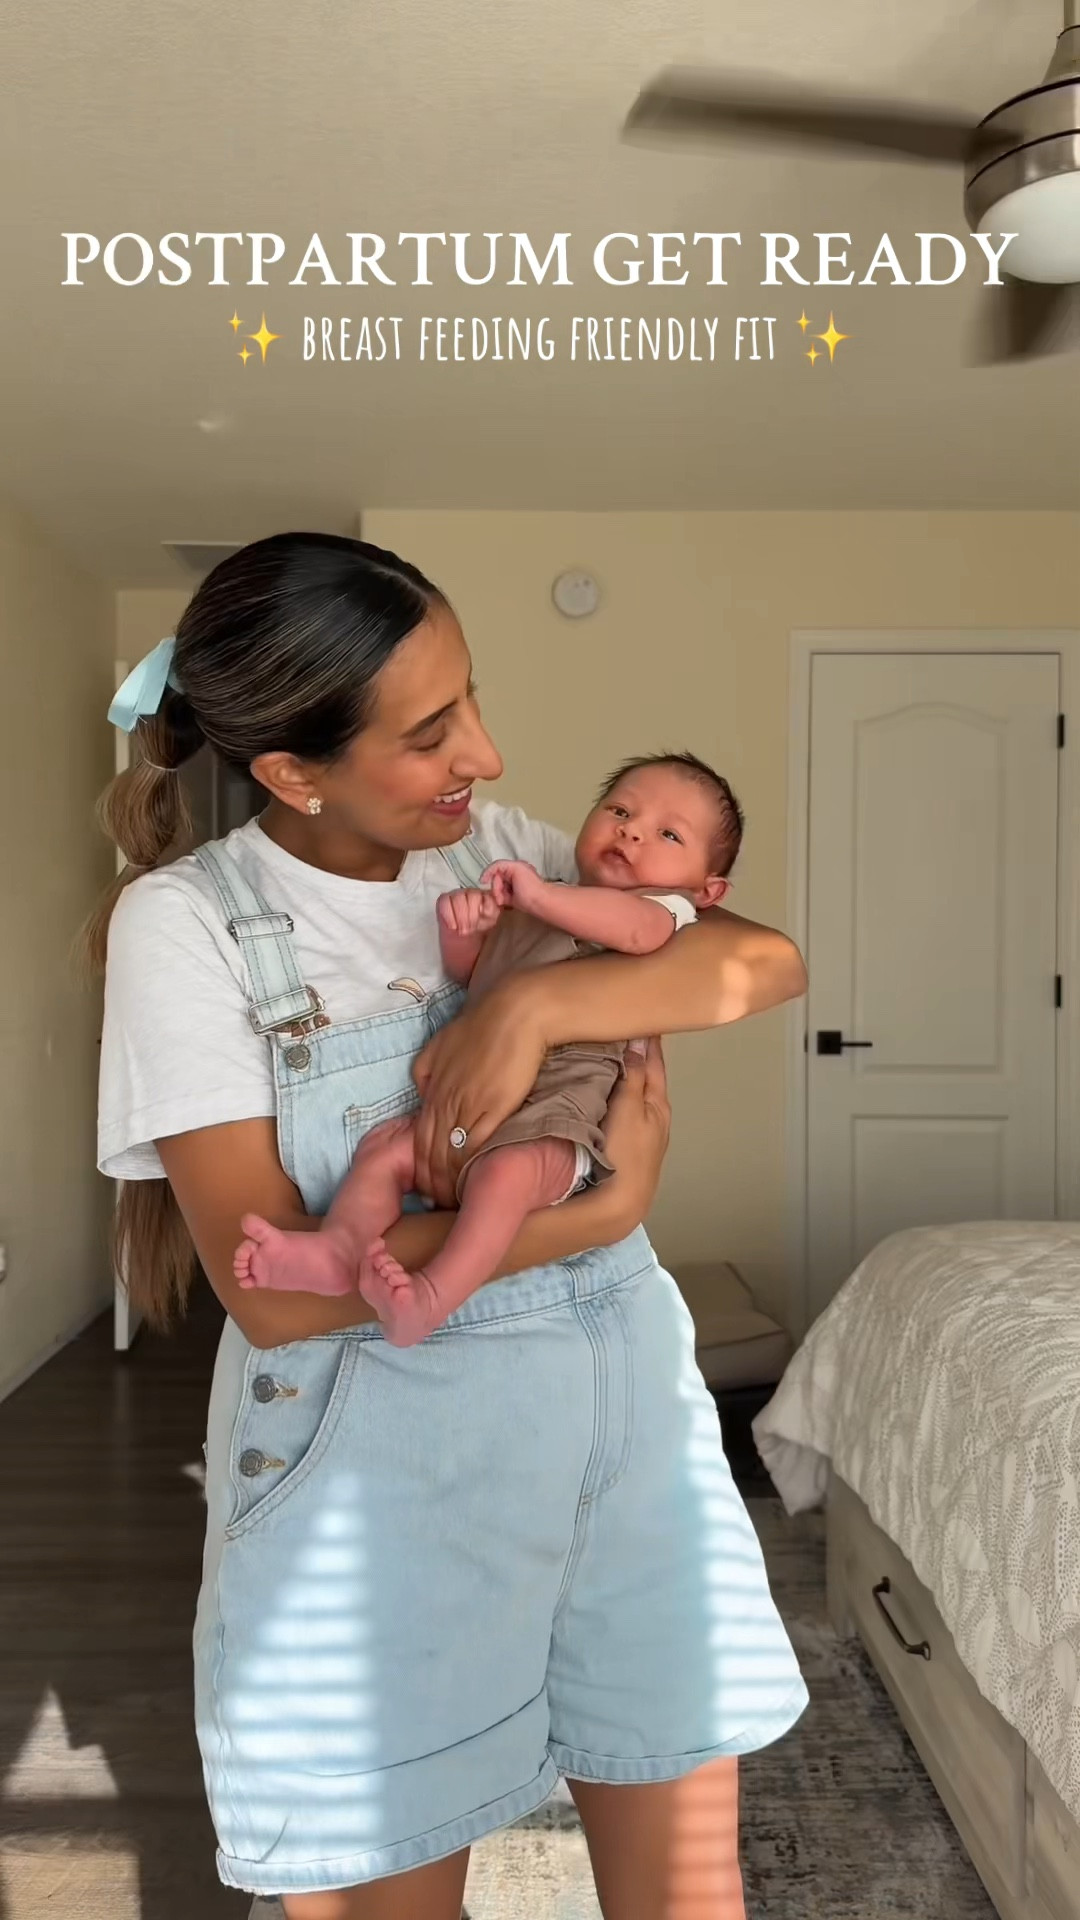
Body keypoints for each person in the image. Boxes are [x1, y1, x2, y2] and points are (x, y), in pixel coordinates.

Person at [90, 532, 809, 1920]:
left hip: (622, 1438)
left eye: (469, 696)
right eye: (430, 734)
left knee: (691, 1895)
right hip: (383, 1485)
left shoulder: (494, 848)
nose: (485, 752)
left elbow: (760, 962)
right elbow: (274, 1292)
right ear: (294, 773)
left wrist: (536, 1004)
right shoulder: (187, 925)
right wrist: (604, 1215)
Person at [234, 752, 744, 1347]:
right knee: (383, 1153)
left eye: (668, 834)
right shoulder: (547, 897)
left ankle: (432, 1297)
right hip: (462, 1113)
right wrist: (465, 933)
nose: (632, 832)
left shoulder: (665, 912)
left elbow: (632, 930)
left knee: (504, 1179)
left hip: (556, 1118)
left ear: (707, 889)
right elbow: (478, 976)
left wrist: (536, 897)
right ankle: (339, 1249)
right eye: (620, 811)